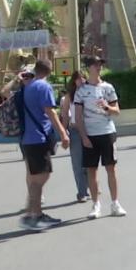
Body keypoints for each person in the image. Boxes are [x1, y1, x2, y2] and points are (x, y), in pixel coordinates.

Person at [19, 59, 70, 231]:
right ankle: (35, 216)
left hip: (28, 138)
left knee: (37, 178)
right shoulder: (43, 87)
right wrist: (63, 133)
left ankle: (31, 214)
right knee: (41, 177)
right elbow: (51, 112)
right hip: (38, 139)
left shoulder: (28, 86)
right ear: (50, 70)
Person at [74, 56, 126, 218]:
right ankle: (96, 205)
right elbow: (78, 116)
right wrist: (84, 137)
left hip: (107, 132)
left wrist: (107, 107)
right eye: (95, 64)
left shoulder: (108, 87)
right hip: (90, 135)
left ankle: (115, 203)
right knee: (92, 170)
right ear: (88, 68)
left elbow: (117, 111)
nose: (99, 67)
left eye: (101, 64)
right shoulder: (81, 91)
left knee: (111, 168)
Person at [59, 71, 90, 203]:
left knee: (90, 163)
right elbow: (65, 116)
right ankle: (82, 192)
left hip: (90, 130)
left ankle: (91, 186)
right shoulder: (69, 97)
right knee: (78, 163)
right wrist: (64, 133)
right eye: (78, 78)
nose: (81, 80)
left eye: (83, 78)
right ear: (74, 81)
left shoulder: (90, 93)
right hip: (75, 131)